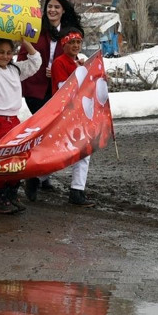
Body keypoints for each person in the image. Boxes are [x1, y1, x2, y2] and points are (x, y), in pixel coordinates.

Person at [23, 0, 81, 200]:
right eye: (49, 6)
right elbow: (25, 55)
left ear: (63, 10)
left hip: (58, 91)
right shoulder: (36, 30)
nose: (52, 10)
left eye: (57, 7)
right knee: (43, 132)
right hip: (36, 89)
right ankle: (35, 175)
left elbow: (72, 56)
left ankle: (40, 175)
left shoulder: (68, 32)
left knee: (53, 133)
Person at [0, 36, 40, 215]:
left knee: (18, 160)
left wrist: (25, 41)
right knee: (2, 161)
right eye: (1, 52)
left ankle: (11, 193)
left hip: (14, 120)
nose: (5, 56)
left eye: (9, 52)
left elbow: (36, 62)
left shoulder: (16, 70)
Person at [50, 31, 95, 207]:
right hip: (64, 115)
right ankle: (38, 178)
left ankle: (77, 190)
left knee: (84, 151)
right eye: (72, 42)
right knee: (57, 150)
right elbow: (64, 88)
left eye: (78, 42)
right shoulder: (59, 63)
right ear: (64, 45)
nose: (76, 45)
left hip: (78, 115)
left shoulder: (78, 63)